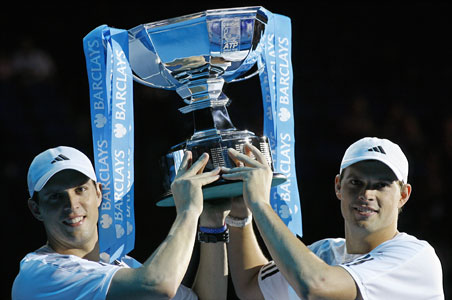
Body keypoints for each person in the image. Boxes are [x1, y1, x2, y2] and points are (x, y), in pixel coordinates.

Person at [222, 137, 444, 299]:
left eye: (381, 185)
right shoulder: (323, 253)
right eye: (356, 182)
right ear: (338, 186)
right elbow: (250, 287)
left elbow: (316, 286)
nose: (367, 194)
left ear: (403, 195)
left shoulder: (414, 257)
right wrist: (240, 214)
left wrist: (260, 203)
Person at [12, 146, 229, 300]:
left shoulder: (124, 266)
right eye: (55, 197)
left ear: (98, 193)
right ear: (36, 208)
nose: (72, 204)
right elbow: (159, 284)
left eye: (80, 190)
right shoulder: (39, 274)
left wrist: (213, 220)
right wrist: (189, 211)